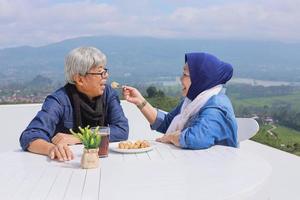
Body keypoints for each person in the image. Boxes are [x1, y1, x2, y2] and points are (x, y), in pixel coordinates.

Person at [20, 47, 129, 161]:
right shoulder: (59, 100)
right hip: (66, 163)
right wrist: (51, 149)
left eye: (105, 71)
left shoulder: (108, 94)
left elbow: (122, 130)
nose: (106, 76)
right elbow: (29, 136)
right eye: (99, 72)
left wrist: (79, 137)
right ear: (79, 79)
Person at [123, 52, 237, 149]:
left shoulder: (217, 106)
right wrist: (140, 101)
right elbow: (167, 123)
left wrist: (171, 137)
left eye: (185, 74)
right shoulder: (192, 101)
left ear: (201, 79)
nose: (180, 79)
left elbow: (196, 138)